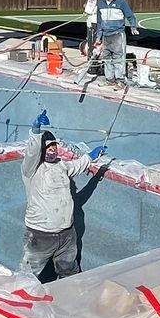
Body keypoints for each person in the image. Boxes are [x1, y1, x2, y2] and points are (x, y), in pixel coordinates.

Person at [20, 112, 107, 281]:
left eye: (54, 147)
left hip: (67, 235)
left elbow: (79, 165)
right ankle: (21, 304)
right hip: (40, 235)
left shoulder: (62, 166)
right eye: (47, 148)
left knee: (70, 273)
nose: (51, 151)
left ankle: (71, 301)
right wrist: (36, 130)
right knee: (28, 277)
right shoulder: (32, 169)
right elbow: (32, 151)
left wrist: (91, 157)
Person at [90, 0, 139, 83]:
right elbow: (99, 23)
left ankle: (120, 80)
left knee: (119, 58)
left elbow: (130, 16)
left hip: (118, 34)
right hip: (106, 35)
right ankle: (110, 79)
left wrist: (133, 27)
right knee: (107, 58)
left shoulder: (121, 2)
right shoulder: (100, 4)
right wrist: (98, 38)